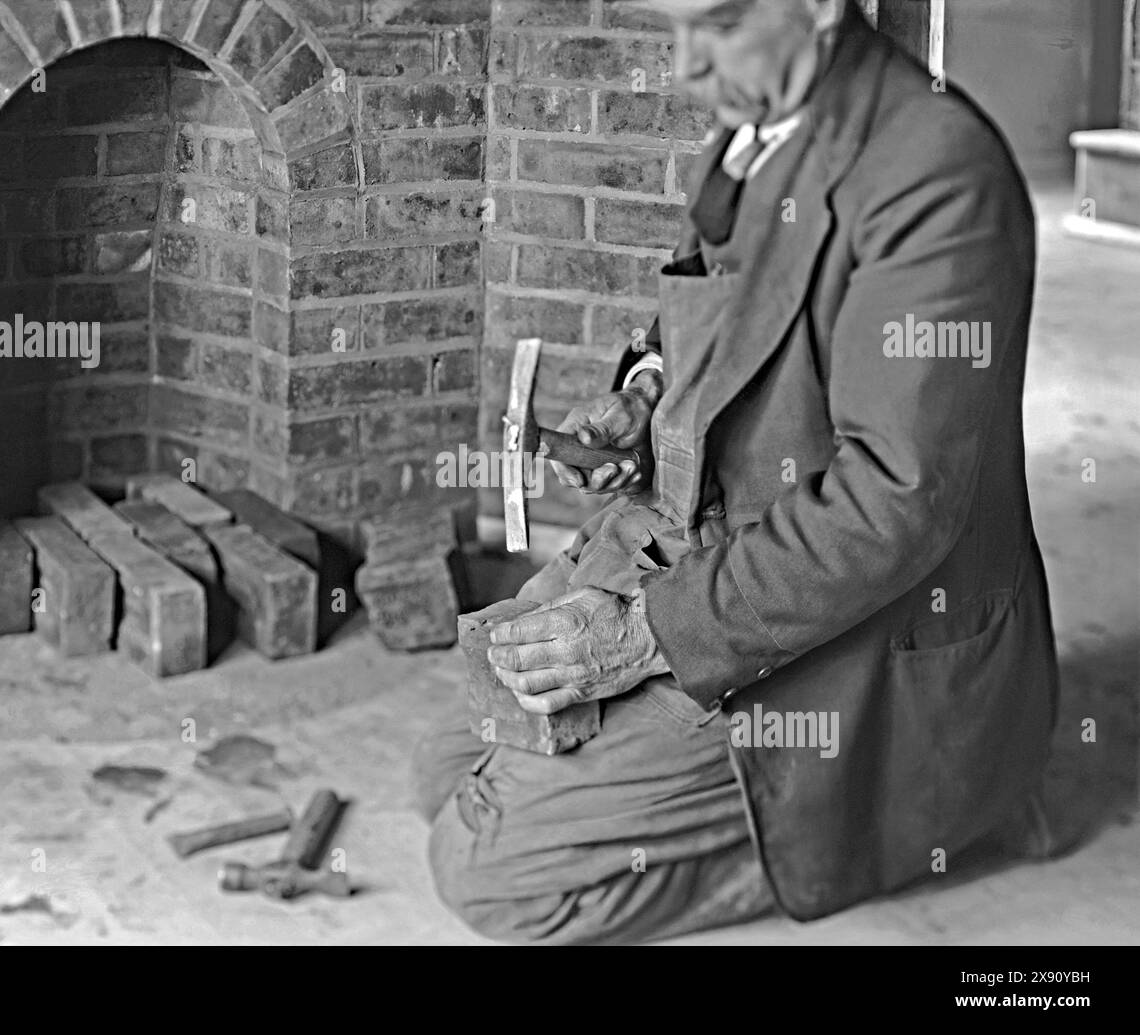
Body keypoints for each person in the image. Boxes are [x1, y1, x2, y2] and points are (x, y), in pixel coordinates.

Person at [412, 0, 1058, 944]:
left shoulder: (936, 174)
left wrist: (640, 637)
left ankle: (900, 820)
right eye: (676, 29)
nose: (686, 67)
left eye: (715, 25)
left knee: (483, 869)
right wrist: (646, 397)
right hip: (697, 535)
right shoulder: (757, 126)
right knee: (438, 767)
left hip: (837, 617)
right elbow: (716, 320)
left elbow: (893, 504)